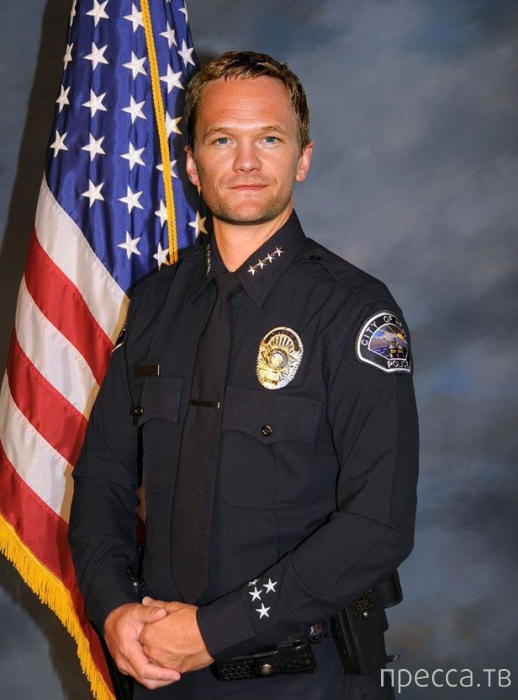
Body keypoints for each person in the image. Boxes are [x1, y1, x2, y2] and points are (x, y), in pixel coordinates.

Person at [69, 51, 419, 700]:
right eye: (223, 140)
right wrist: (114, 608)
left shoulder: (355, 314)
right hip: (161, 676)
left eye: (271, 139)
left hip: (305, 679)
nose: (248, 162)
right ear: (192, 163)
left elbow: (379, 525)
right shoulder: (153, 306)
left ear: (303, 158)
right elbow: (102, 479)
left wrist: (213, 631)